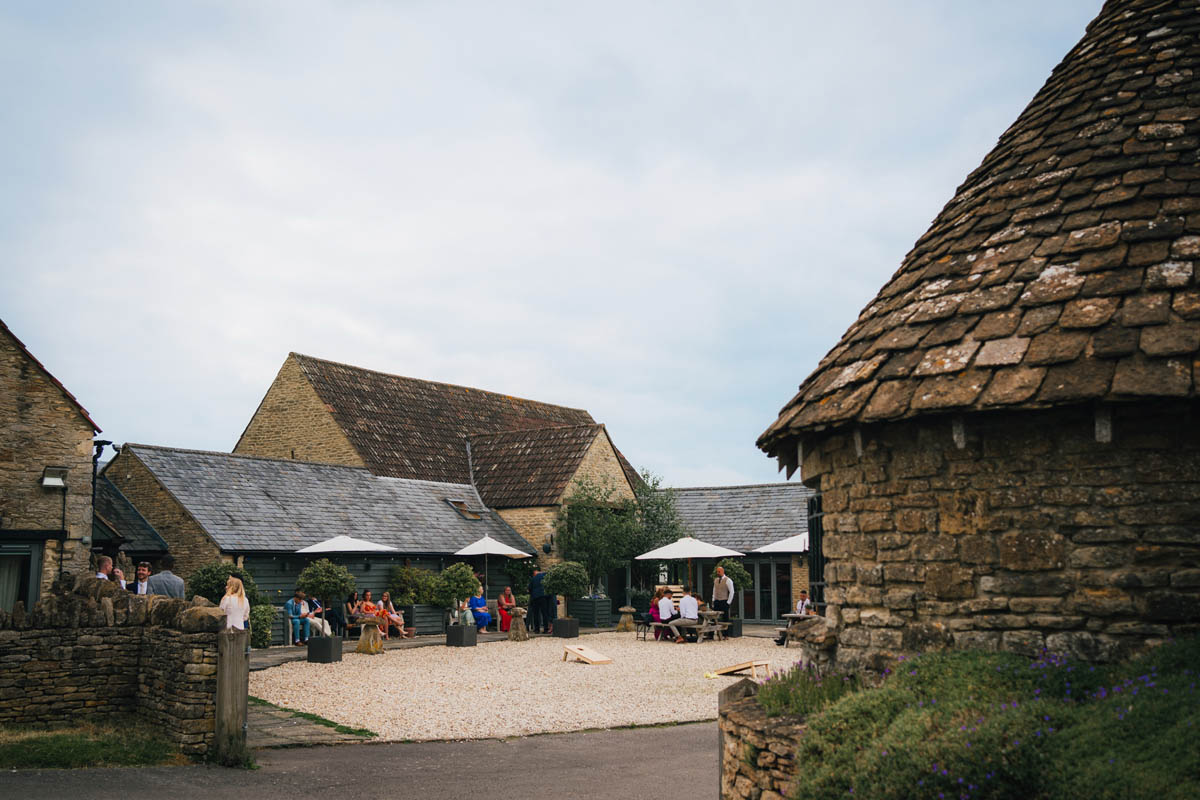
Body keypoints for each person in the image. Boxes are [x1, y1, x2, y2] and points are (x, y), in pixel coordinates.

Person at [528, 567, 548, 634]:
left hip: (535, 598)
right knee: (544, 613)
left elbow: (529, 588)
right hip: (543, 597)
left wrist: (532, 594)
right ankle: (545, 629)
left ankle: (537, 629)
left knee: (536, 614)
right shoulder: (545, 576)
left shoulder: (533, 578)